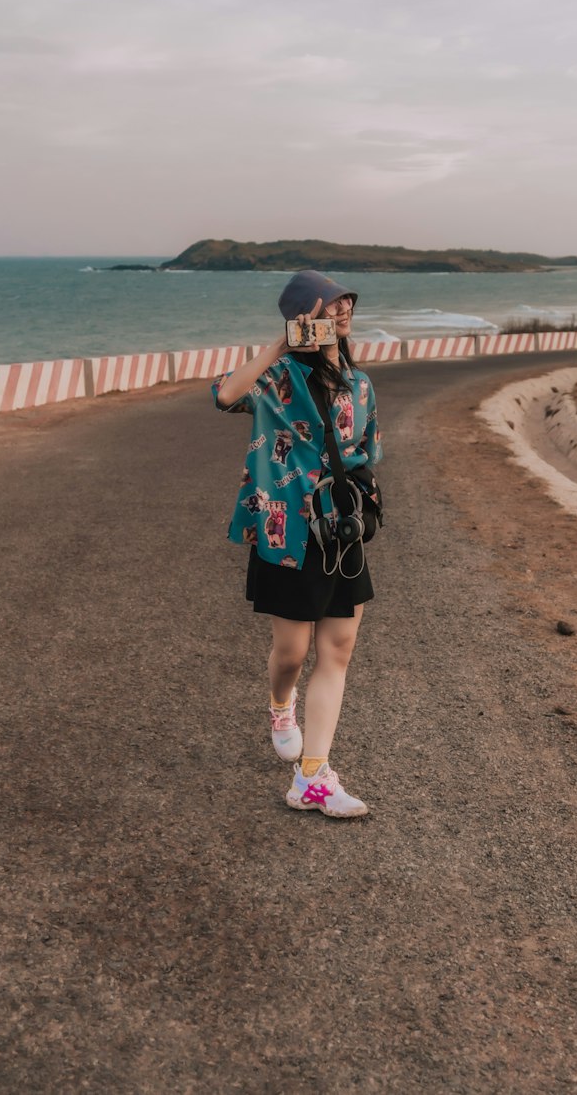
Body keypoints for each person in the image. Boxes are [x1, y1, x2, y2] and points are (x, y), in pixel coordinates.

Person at [212, 269, 382, 819]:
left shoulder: (360, 383)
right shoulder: (275, 379)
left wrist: (364, 505)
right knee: (293, 652)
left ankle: (311, 775)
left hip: (340, 529)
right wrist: (278, 347)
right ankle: (281, 706)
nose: (341, 314)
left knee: (337, 648)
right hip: (286, 528)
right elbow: (224, 395)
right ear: (301, 321)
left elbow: (367, 452)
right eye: (328, 308)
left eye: (344, 304)